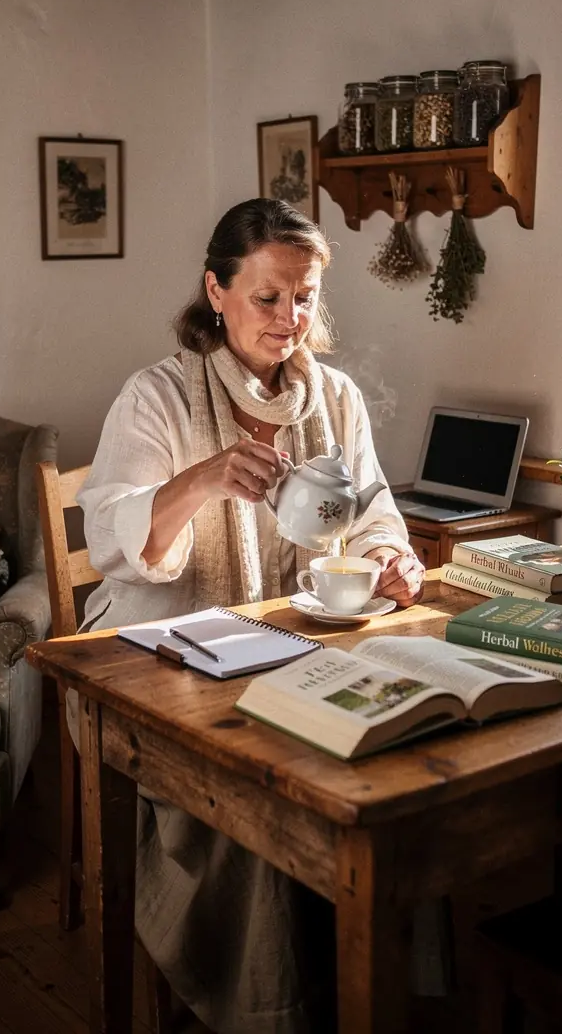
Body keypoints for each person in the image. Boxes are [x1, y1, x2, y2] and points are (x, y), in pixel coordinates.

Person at [76, 198, 425, 1034]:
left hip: (292, 652)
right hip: (160, 665)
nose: (289, 319)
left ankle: (375, 988)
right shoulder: (156, 395)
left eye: (304, 298)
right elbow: (108, 539)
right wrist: (202, 479)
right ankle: (274, 1008)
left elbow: (373, 507)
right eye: (268, 297)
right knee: (263, 815)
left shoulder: (332, 396)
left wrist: (388, 555)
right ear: (217, 290)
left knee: (393, 780)